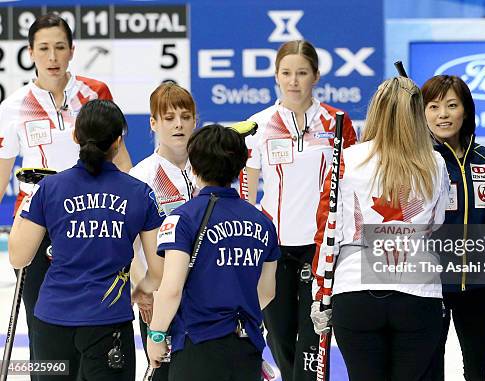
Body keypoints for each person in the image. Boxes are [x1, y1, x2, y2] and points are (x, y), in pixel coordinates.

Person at [0, 14, 131, 370]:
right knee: (43, 331)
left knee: (95, 321)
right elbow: (0, 178)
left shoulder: (95, 93)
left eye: (60, 47)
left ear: (72, 50)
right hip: (37, 224)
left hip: (93, 220)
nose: (52, 56)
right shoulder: (13, 107)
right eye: (44, 48)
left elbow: (120, 158)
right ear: (30, 53)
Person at [7, 99, 164, 381]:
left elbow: (18, 257)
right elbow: (158, 270)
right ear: (118, 142)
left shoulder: (49, 189)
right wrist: (142, 289)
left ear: (76, 137)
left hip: (51, 325)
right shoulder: (140, 193)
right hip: (108, 323)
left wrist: (31, 198)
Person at [310, 76, 450, 381]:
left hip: (355, 289)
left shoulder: (345, 160)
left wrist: (320, 292)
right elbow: (436, 223)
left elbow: (327, 230)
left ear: (375, 110)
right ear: (417, 114)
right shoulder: (436, 163)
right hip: (418, 290)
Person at [242, 39, 357, 381]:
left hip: (320, 245)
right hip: (272, 246)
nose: (293, 81)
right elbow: (248, 188)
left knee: (313, 335)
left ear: (316, 76)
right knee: (278, 333)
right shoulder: (258, 125)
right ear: (276, 76)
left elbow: (351, 182)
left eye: (302, 73)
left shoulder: (337, 122)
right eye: (286, 73)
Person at [146, 124, 280, 381]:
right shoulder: (263, 222)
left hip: (197, 344)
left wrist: (156, 334)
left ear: (193, 167)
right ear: (240, 168)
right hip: (246, 346)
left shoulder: (182, 219)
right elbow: (267, 292)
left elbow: (171, 289)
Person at [422, 75, 485, 380]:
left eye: (452, 105)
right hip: (431, 285)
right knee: (427, 370)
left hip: (481, 285)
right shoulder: (420, 159)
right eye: (433, 107)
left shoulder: (483, 157)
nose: (443, 115)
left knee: (484, 371)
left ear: (467, 110)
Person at [129, 82, 197, 380]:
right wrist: (143, 289)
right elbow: (127, 245)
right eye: (169, 118)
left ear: (196, 120)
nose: (179, 124)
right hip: (160, 296)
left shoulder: (210, 167)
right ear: (154, 123)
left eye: (185, 116)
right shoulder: (141, 177)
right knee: (164, 373)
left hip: (208, 292)